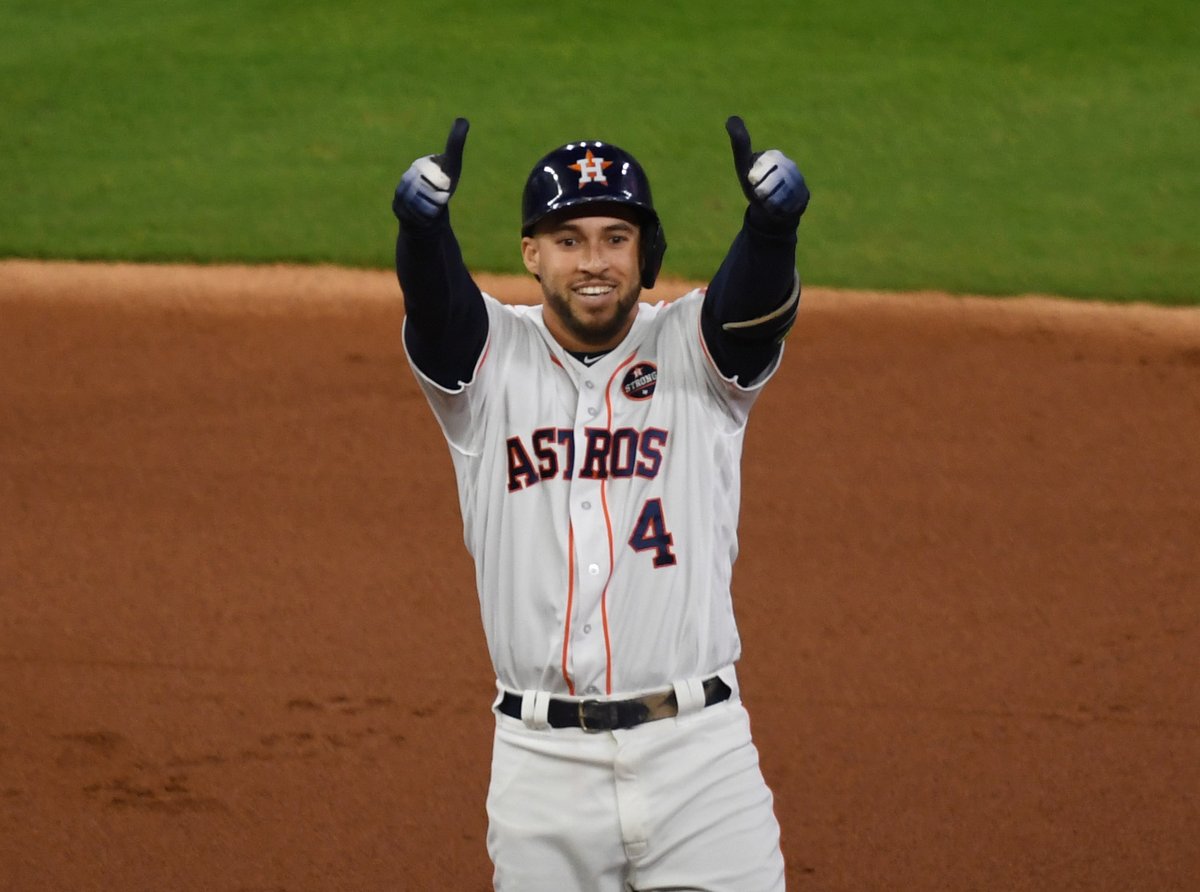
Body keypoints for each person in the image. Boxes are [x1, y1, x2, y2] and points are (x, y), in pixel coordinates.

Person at [392, 114, 809, 891]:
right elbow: (438, 310)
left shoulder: (696, 350)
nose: (594, 261)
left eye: (616, 238)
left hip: (702, 761)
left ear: (645, 255)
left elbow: (752, 312)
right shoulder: (488, 363)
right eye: (570, 239)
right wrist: (422, 235)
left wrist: (771, 229)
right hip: (542, 771)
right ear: (531, 253)